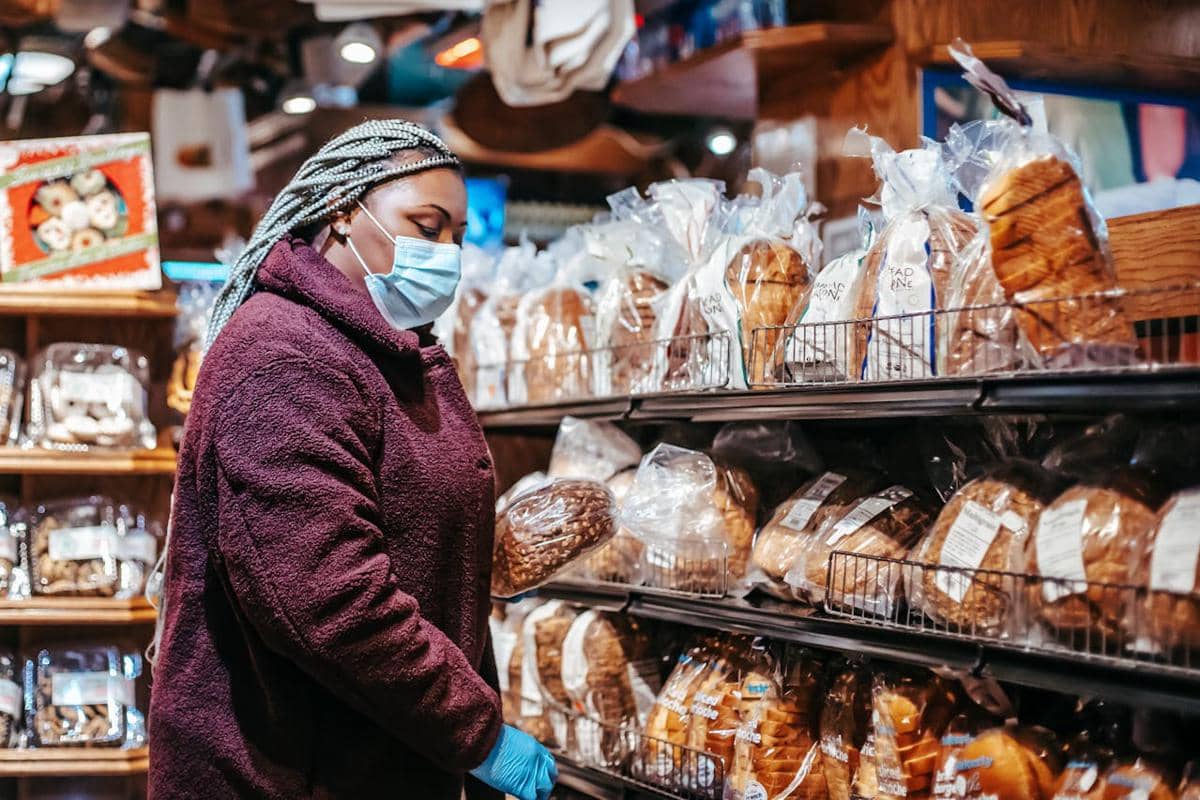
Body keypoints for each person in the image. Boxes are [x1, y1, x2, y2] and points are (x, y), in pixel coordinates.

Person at [147, 120, 557, 800]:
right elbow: (327, 598)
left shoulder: (381, 353)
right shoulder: (285, 355)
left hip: (368, 759)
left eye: (458, 235)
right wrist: (477, 735)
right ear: (343, 210)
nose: (448, 253)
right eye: (427, 226)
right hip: (282, 772)